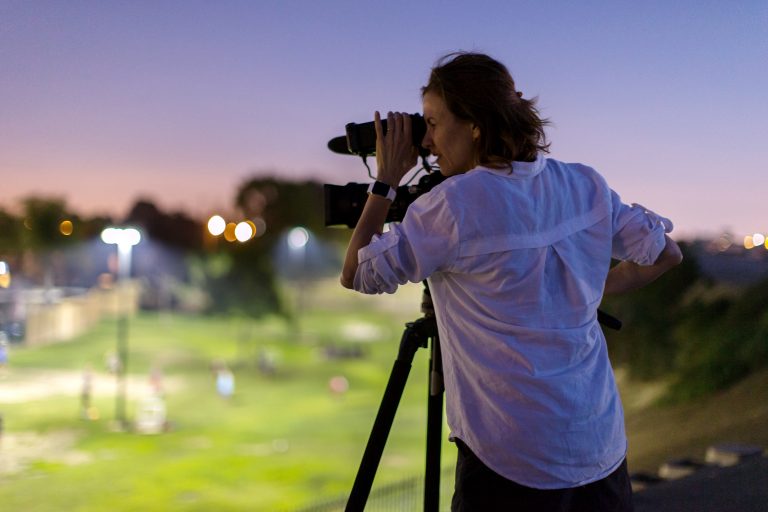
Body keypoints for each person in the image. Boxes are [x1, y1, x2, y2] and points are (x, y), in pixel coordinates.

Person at [340, 52, 683, 511]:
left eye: (434, 123)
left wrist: (383, 181)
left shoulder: (453, 205)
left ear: (476, 124)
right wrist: (583, 290)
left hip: (511, 460)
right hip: (597, 445)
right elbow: (666, 253)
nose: (427, 141)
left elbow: (358, 271)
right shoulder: (583, 184)